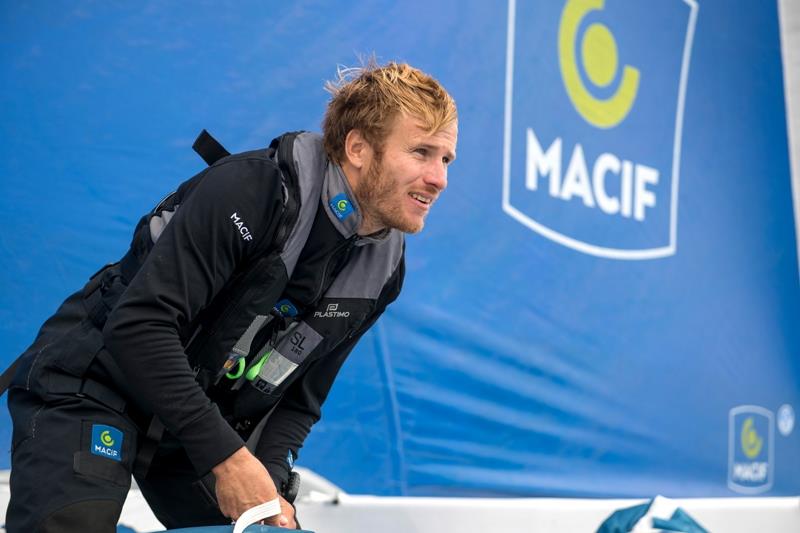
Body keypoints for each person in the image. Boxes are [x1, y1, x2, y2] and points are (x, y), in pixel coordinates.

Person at [5, 60, 457, 532]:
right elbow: (139, 326)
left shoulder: (384, 268)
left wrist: (274, 485)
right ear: (358, 147)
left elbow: (300, 400)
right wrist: (226, 458)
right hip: (96, 386)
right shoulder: (252, 191)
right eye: (422, 152)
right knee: (74, 524)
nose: (439, 178)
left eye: (446, 159)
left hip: (192, 425)